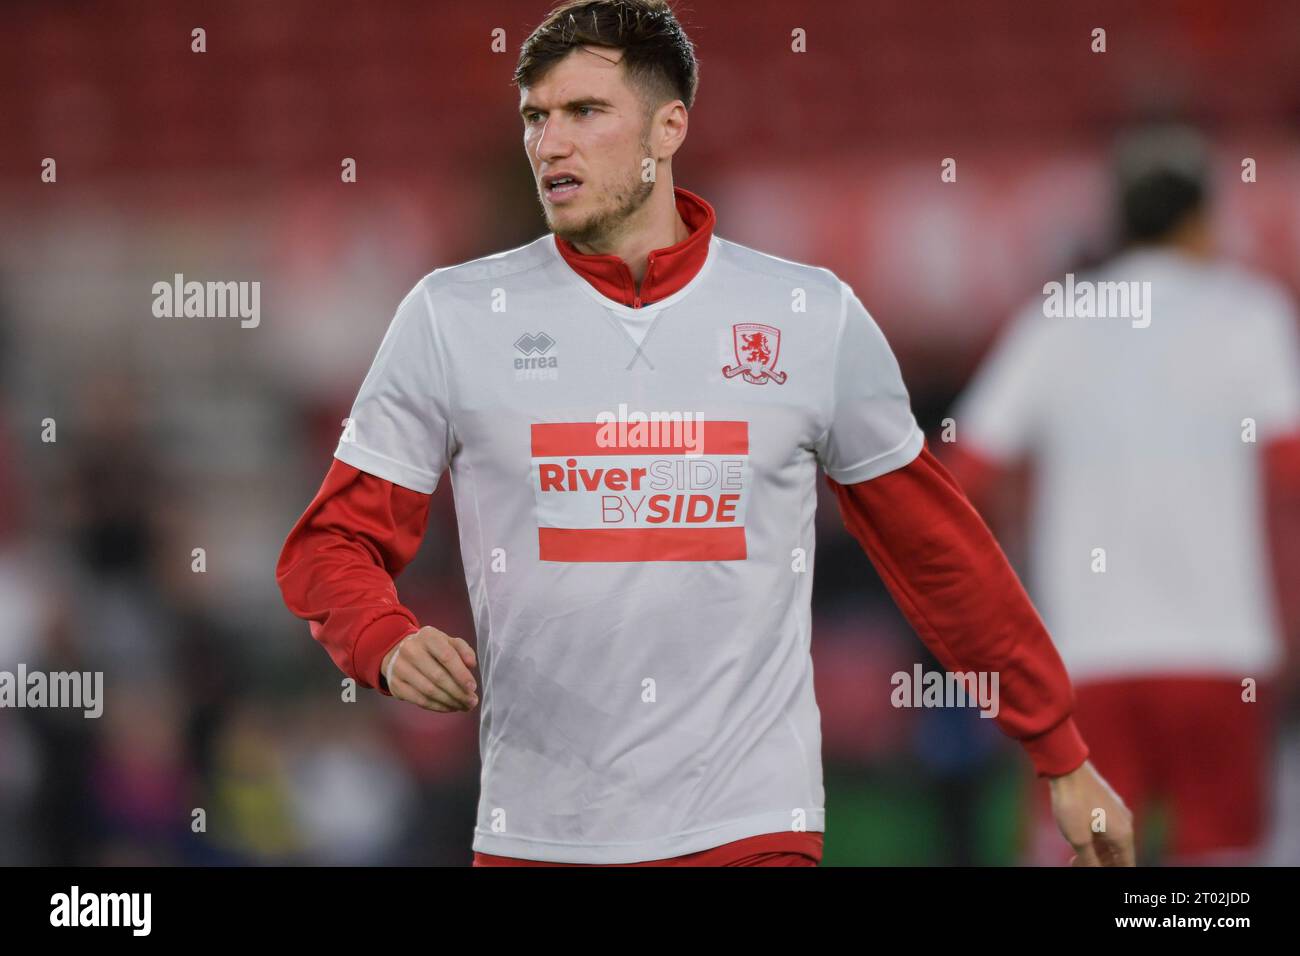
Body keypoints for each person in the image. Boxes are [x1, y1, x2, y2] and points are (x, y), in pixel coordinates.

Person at [276, 0, 1133, 867]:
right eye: (536, 116)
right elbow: (329, 545)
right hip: (541, 831)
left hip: (751, 826)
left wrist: (1060, 752)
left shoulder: (808, 316)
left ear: (668, 125)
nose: (550, 143)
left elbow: (938, 551)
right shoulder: (451, 317)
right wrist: (384, 639)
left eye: (584, 112)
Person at [946, 125, 1300, 864]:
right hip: (1220, 651)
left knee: (1083, 857)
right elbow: (1291, 468)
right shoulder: (1252, 314)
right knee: (1221, 876)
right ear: (1204, 220)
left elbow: (959, 480)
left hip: (1084, 658)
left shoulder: (1057, 321)